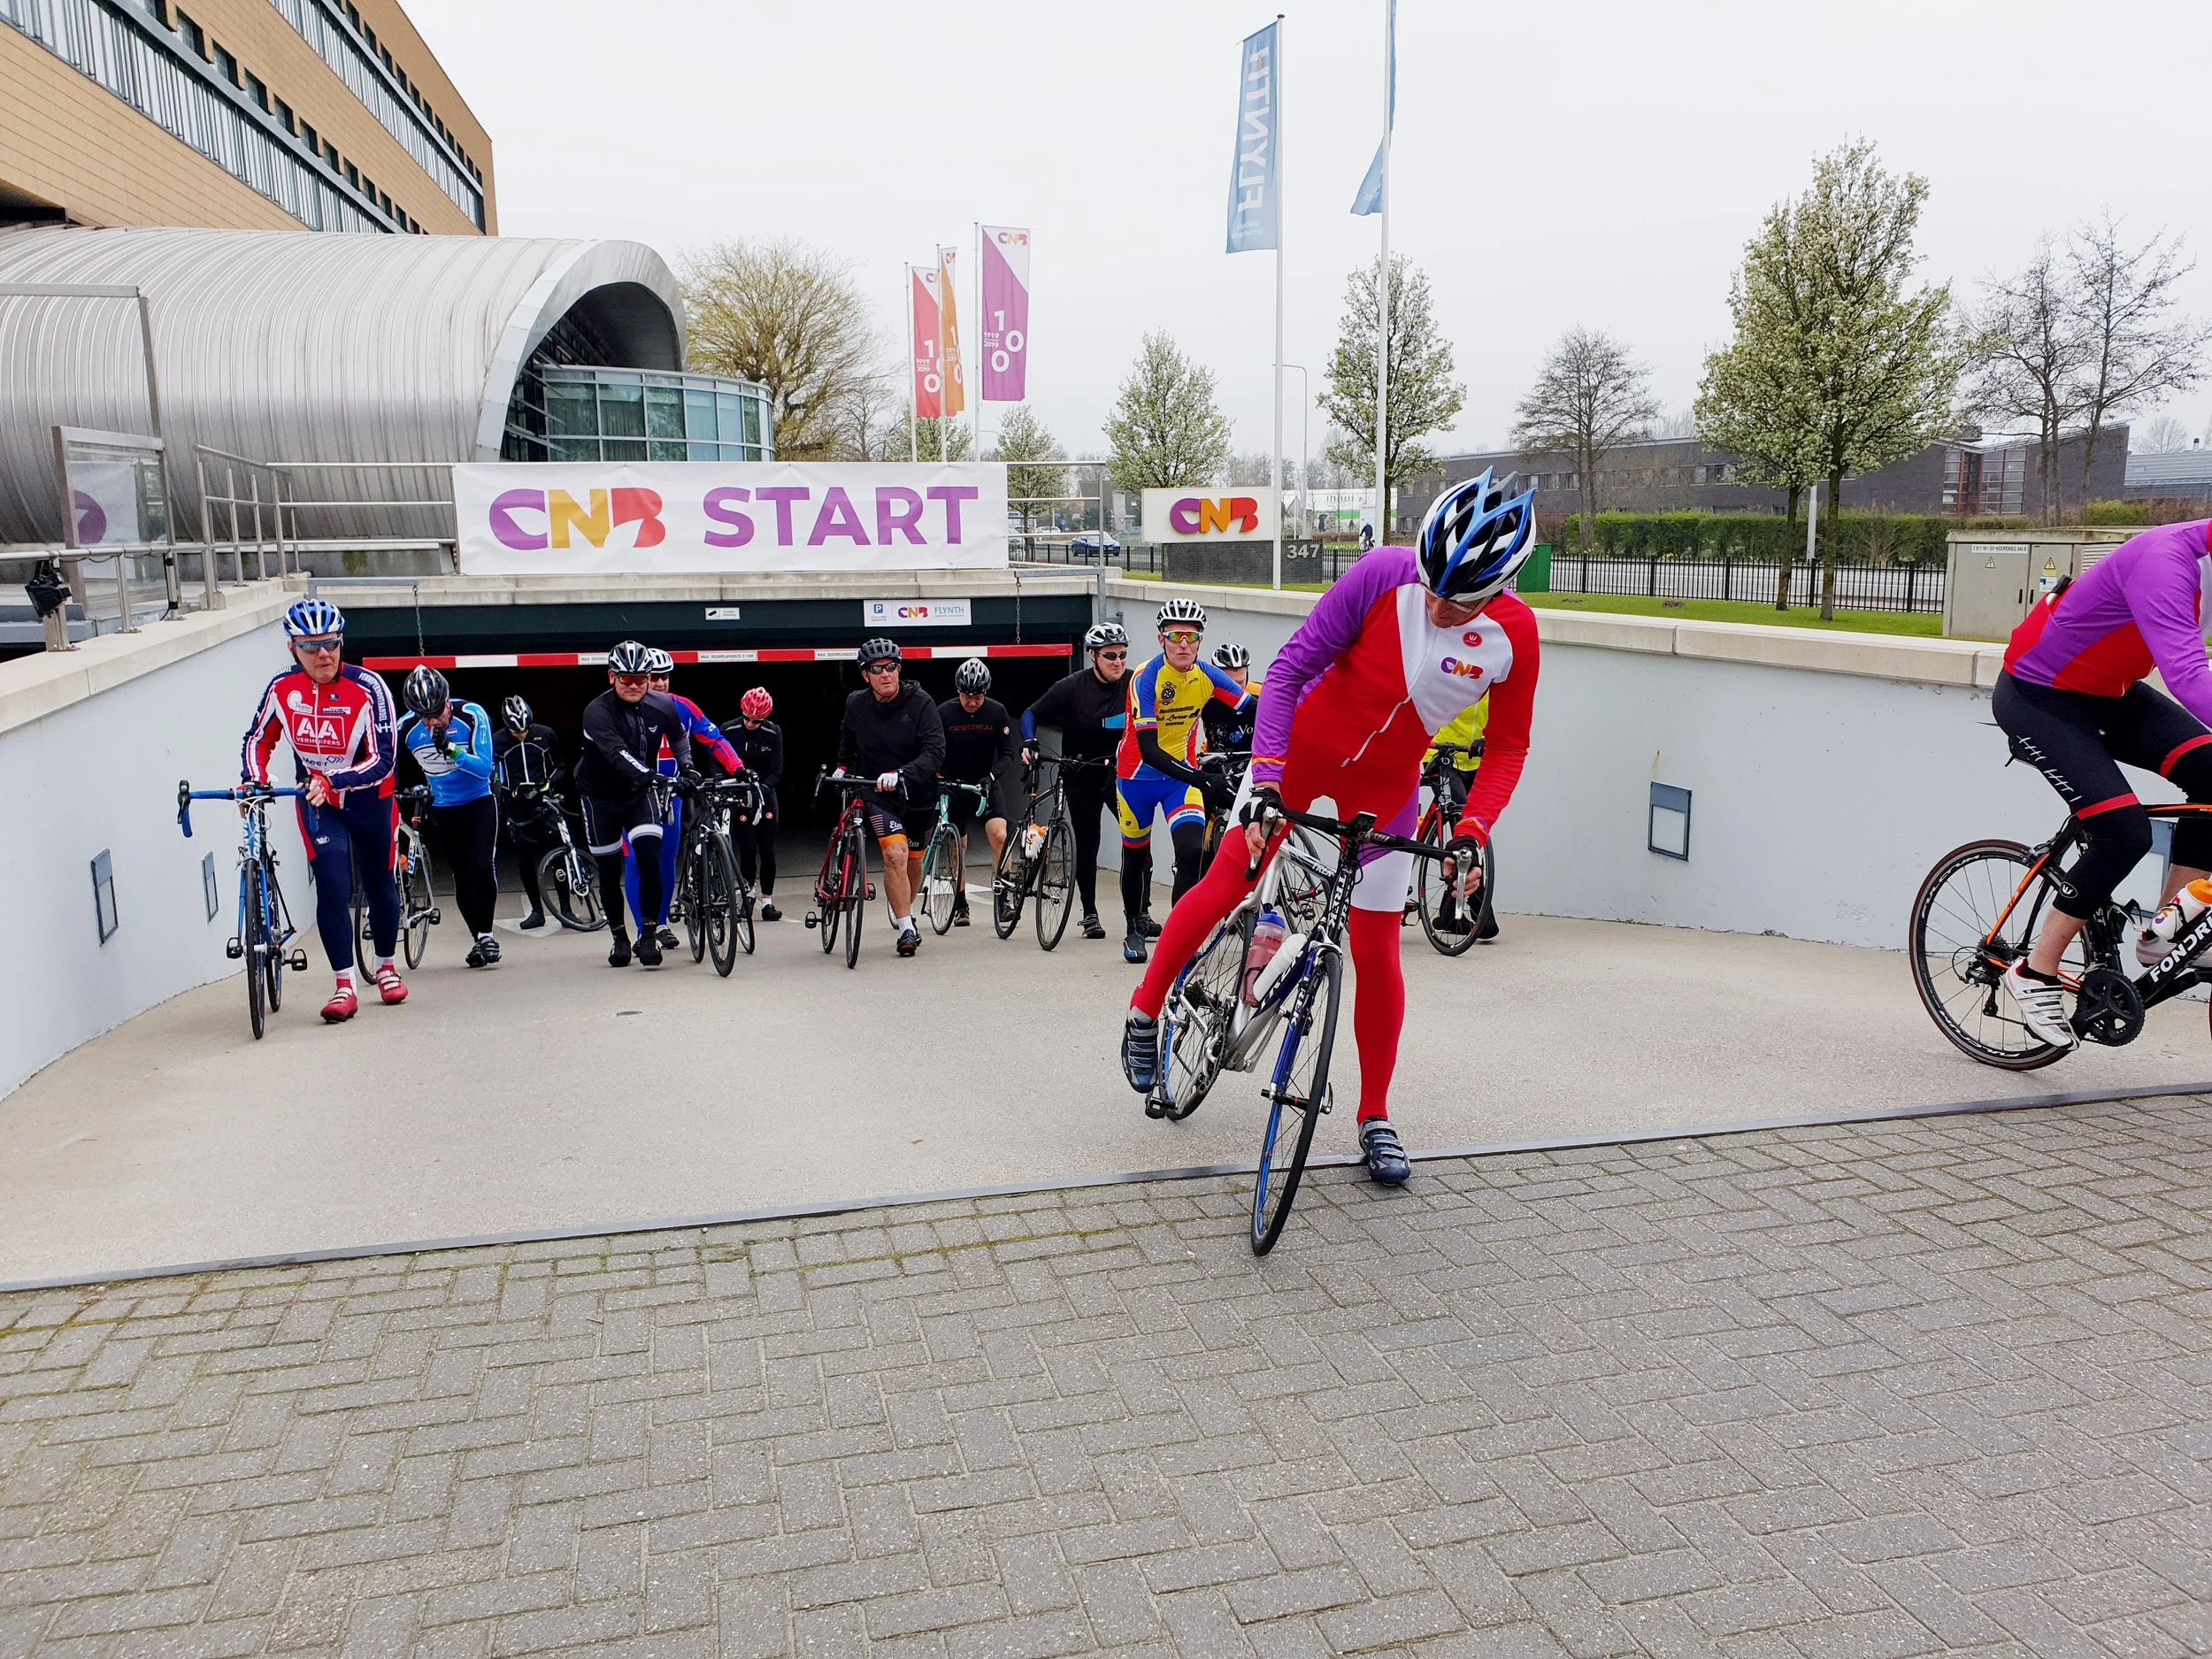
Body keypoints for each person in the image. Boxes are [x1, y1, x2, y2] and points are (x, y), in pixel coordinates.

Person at [1122, 472, 1543, 1185]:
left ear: (1502, 584)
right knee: (1232, 876)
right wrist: (1269, 782)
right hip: (1298, 753)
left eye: (1459, 598)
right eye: (1433, 586)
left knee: (1379, 951)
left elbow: (1507, 747)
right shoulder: (1382, 574)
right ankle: (1143, 1009)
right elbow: (1286, 672)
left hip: (1385, 791)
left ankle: (1374, 1115)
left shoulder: (1515, 636)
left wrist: (1473, 825)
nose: (1439, 606)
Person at [1993, 517, 2212, 1047]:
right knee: (2124, 830)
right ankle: (2034, 972)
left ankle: (2168, 931)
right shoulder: (2166, 559)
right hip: (2039, 696)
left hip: (2109, 692)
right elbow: (2186, 673)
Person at [241, 598, 405, 1022]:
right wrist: (253, 779)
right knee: (331, 881)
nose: (323, 655)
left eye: (331, 643)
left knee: (378, 883)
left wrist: (335, 782)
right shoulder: (282, 689)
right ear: (292, 648)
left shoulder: (369, 688)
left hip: (371, 799)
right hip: (317, 802)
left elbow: (384, 758)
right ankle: (344, 984)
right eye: (311, 646)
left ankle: (386, 966)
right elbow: (259, 740)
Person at [1113, 599, 1252, 963]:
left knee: (1191, 851)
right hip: (1137, 777)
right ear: (1162, 639)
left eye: (1191, 636)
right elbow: (1149, 750)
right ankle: (1133, 927)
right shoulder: (1145, 677)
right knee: (1136, 855)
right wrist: (1204, 778)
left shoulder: (1206, 674)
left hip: (1180, 780)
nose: (1183, 644)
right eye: (1175, 635)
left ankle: (1179, 932)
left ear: (1200, 640)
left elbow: (1252, 707)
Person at [575, 640, 695, 969]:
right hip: (599, 796)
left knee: (650, 858)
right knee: (610, 870)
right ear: (611, 677)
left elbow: (680, 737)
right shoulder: (597, 711)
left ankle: (648, 934)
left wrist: (687, 768)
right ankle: (619, 937)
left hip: (638, 793)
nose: (633, 685)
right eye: (625, 679)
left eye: (640, 679)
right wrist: (653, 775)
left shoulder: (664, 705)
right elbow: (617, 754)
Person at [625, 648, 744, 947]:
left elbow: (714, 738)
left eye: (665, 677)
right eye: (655, 678)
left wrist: (739, 768)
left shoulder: (683, 707)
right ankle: (643, 930)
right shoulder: (622, 709)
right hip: (634, 796)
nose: (661, 684)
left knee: (665, 862)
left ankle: (661, 923)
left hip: (672, 797)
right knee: (637, 862)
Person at [1019, 622, 1131, 941]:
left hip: (1119, 774)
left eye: (1123, 654)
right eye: (1110, 655)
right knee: (1088, 844)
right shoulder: (1072, 686)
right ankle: (1090, 913)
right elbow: (1030, 714)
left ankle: (1141, 912)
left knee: (1137, 841)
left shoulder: (1135, 682)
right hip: (1080, 775)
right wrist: (1030, 742)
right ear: (1093, 656)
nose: (1118, 662)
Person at [836, 638, 945, 956]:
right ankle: (906, 927)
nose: (886, 674)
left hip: (918, 794)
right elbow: (847, 736)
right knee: (894, 855)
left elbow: (935, 752)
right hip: (877, 794)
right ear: (865, 675)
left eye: (891, 667)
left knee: (913, 859)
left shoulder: (921, 702)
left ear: (900, 668)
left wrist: (902, 774)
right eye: (877, 669)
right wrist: (844, 765)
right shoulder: (856, 704)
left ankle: (904, 907)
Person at [397, 665, 502, 966]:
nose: (432, 723)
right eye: (424, 717)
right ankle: (478, 939)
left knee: (482, 866)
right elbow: (388, 763)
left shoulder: (471, 714)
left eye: (437, 714)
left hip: (480, 801)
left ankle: (487, 934)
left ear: (447, 702)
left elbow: (484, 769)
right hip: (444, 807)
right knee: (462, 876)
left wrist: (452, 749)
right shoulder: (408, 728)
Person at [935, 657, 1018, 926]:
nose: (972, 702)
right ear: (958, 691)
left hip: (986, 782)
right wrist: (938, 777)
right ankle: (960, 904)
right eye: (967, 696)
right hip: (955, 785)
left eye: (978, 697)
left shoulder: (996, 712)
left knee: (1000, 835)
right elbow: (933, 750)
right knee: (959, 846)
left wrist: (991, 776)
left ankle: (1004, 897)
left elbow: (1007, 753)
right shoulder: (944, 713)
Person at [1421, 694, 1500, 941]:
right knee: (1461, 832)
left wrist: (1490, 741)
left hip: (1476, 758)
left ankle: (1447, 916)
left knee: (1471, 832)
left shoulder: (1496, 675)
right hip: (1441, 755)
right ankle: (1483, 917)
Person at [493, 695, 566, 930]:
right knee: (525, 860)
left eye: (525, 729)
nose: (522, 734)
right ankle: (537, 911)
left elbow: (561, 766)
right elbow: (492, 776)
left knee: (558, 855)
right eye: (516, 732)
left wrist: (546, 785)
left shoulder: (546, 734)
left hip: (545, 802)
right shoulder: (496, 741)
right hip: (517, 807)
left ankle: (566, 909)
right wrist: (510, 792)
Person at [731, 687, 784, 920]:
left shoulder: (773, 733)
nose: (751, 724)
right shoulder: (729, 730)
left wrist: (763, 788)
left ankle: (768, 902)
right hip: (741, 795)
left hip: (765, 795)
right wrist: (732, 786)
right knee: (748, 850)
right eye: (748, 719)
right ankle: (747, 894)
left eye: (757, 721)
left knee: (768, 850)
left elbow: (777, 770)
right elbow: (717, 761)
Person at [1201, 641, 1263, 756]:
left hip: (1254, 760)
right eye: (1230, 683)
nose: (1236, 690)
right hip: (1218, 760)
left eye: (1241, 682)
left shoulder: (1261, 692)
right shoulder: (1204, 697)